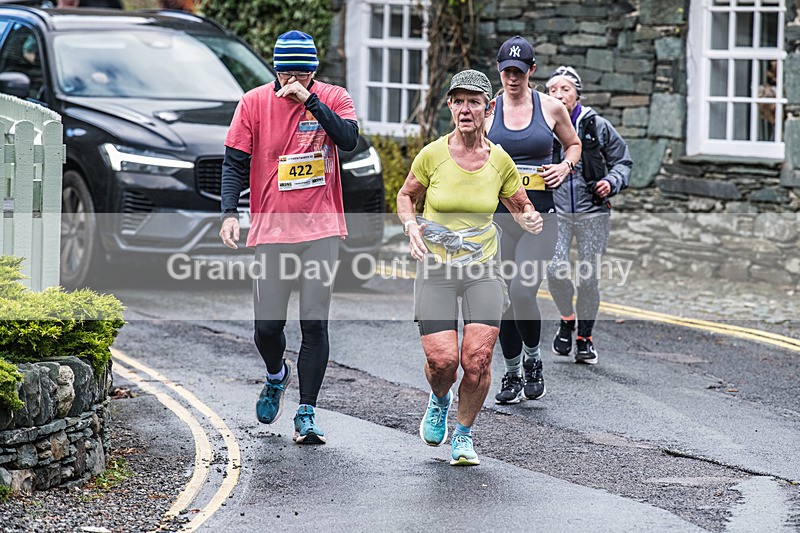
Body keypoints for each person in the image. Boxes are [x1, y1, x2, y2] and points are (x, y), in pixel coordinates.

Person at [396, 69, 543, 466]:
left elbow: (520, 205)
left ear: (487, 109)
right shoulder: (432, 154)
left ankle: (463, 434)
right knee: (442, 362)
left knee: (476, 360)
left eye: (474, 102)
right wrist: (410, 226)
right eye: (458, 101)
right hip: (438, 268)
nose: (465, 109)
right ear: (449, 106)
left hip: (483, 268)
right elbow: (406, 195)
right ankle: (440, 397)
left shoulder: (500, 160)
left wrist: (529, 217)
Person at [219, 30, 359, 444]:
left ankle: (307, 413)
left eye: (301, 73)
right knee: (267, 326)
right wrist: (229, 213)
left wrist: (310, 102)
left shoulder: (334, 98)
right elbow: (234, 163)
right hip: (273, 230)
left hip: (321, 229)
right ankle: (276, 374)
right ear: (275, 71)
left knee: (314, 322)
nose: (292, 81)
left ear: (314, 71)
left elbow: (349, 140)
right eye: (286, 73)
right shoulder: (254, 103)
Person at [485, 35, 582, 404]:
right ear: (498, 69)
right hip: (498, 219)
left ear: (532, 71)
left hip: (540, 218)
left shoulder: (552, 108)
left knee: (522, 290)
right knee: (503, 299)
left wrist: (564, 166)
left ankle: (533, 360)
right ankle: (510, 373)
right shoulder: (488, 111)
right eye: (507, 71)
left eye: (520, 72)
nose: (513, 78)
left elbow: (573, 145)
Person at [545, 66, 632, 364]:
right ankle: (567, 319)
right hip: (554, 212)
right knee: (554, 270)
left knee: (589, 277)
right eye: (552, 90)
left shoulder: (596, 125)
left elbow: (623, 161)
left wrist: (612, 182)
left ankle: (585, 338)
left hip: (592, 212)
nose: (558, 94)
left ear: (577, 94)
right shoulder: (541, 124)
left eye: (565, 89)